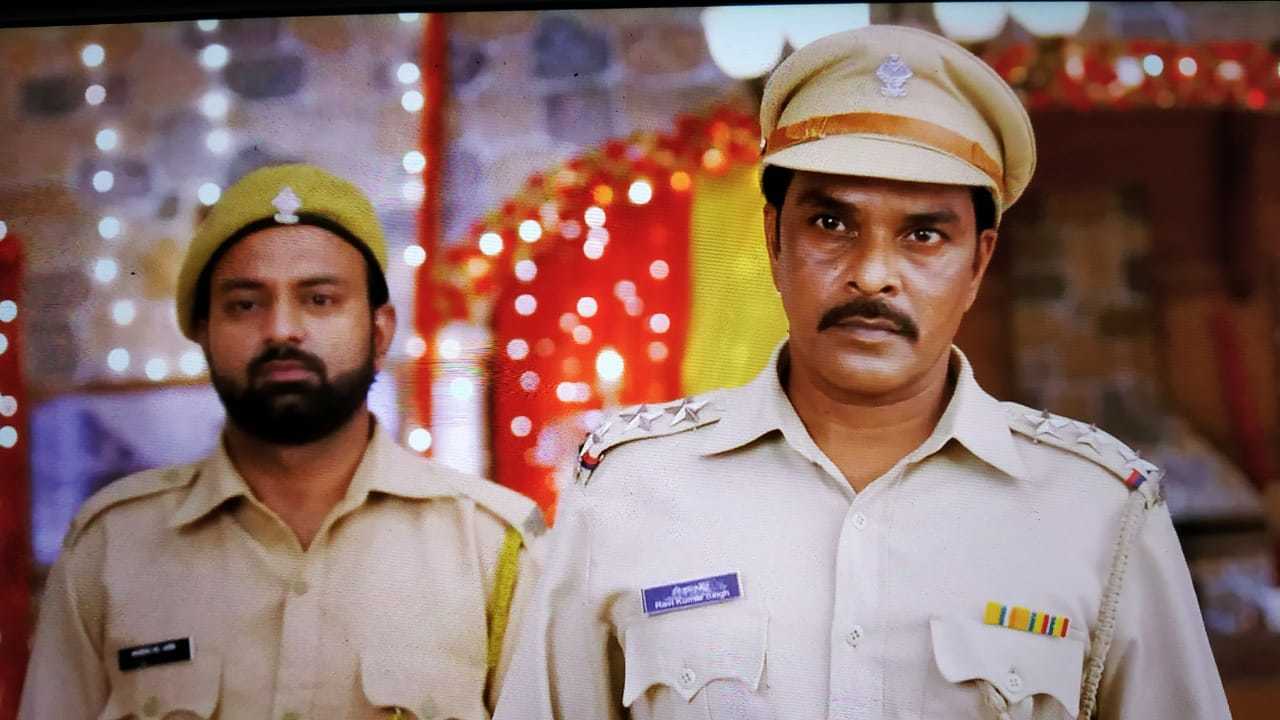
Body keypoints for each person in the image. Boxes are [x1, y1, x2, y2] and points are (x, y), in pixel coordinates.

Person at [494, 25, 1230, 720]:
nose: (873, 274)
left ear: (978, 263)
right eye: (831, 223)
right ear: (774, 240)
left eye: (924, 234)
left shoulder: (1096, 510)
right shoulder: (631, 490)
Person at [20, 164, 545, 719]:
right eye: (246, 304)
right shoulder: (111, 547)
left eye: (319, 299)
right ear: (204, 332)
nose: (280, 330)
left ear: (380, 331)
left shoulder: (490, 547)